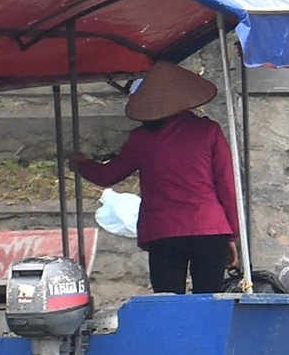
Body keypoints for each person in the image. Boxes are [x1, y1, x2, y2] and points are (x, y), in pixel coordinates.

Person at [74, 61, 241, 295]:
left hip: (164, 234)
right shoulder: (209, 131)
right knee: (209, 304)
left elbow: (107, 175)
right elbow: (227, 185)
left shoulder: (142, 139)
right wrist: (231, 234)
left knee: (168, 307)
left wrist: (82, 163)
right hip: (209, 230)